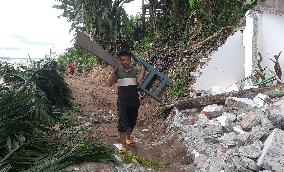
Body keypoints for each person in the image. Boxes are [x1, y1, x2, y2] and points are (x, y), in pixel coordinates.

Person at [107, 50, 145, 153]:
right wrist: (112, 73)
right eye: (121, 60)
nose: (123, 62)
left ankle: (128, 137)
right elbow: (109, 83)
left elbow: (139, 81)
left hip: (134, 101)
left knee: (132, 121)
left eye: (125, 60)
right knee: (122, 122)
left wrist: (142, 71)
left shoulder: (135, 71)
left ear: (130, 60)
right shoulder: (118, 72)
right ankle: (123, 146)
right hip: (122, 101)